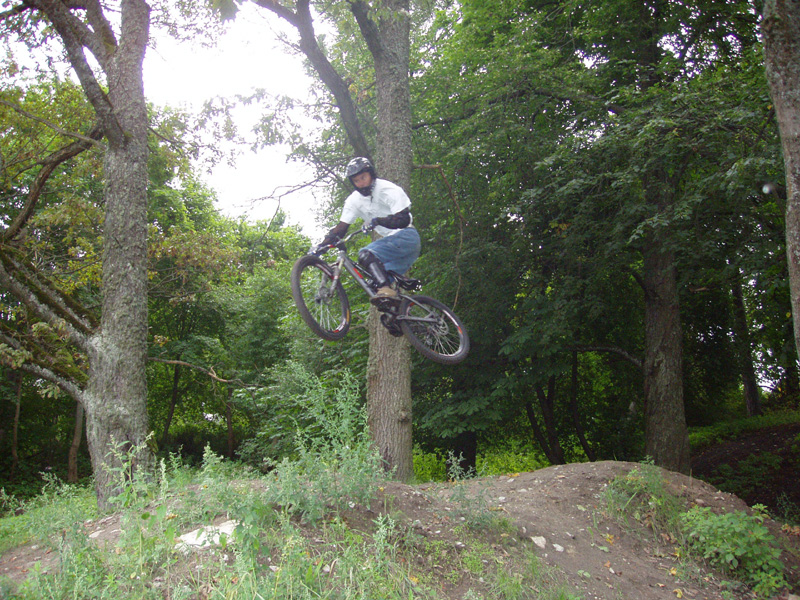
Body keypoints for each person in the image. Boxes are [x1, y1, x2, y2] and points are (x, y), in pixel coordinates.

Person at [318, 157, 421, 306]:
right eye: (356, 181)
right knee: (374, 286)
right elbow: (341, 228)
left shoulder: (386, 189)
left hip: (406, 237)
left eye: (363, 177)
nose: (361, 183)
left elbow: (403, 219)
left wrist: (378, 221)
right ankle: (401, 314)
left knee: (366, 254)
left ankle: (386, 289)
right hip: (398, 251)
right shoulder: (353, 200)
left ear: (371, 174)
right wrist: (320, 247)